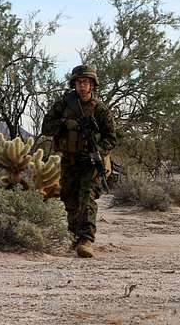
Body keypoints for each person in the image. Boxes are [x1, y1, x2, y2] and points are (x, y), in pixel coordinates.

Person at [42, 65, 117, 258]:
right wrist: (64, 124)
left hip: (90, 161)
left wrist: (98, 152)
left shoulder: (100, 109)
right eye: (79, 82)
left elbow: (111, 137)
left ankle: (86, 240)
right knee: (69, 197)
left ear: (92, 85)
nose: (82, 86)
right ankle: (74, 236)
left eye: (86, 82)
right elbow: (46, 128)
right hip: (69, 160)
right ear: (74, 84)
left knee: (87, 196)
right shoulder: (63, 104)